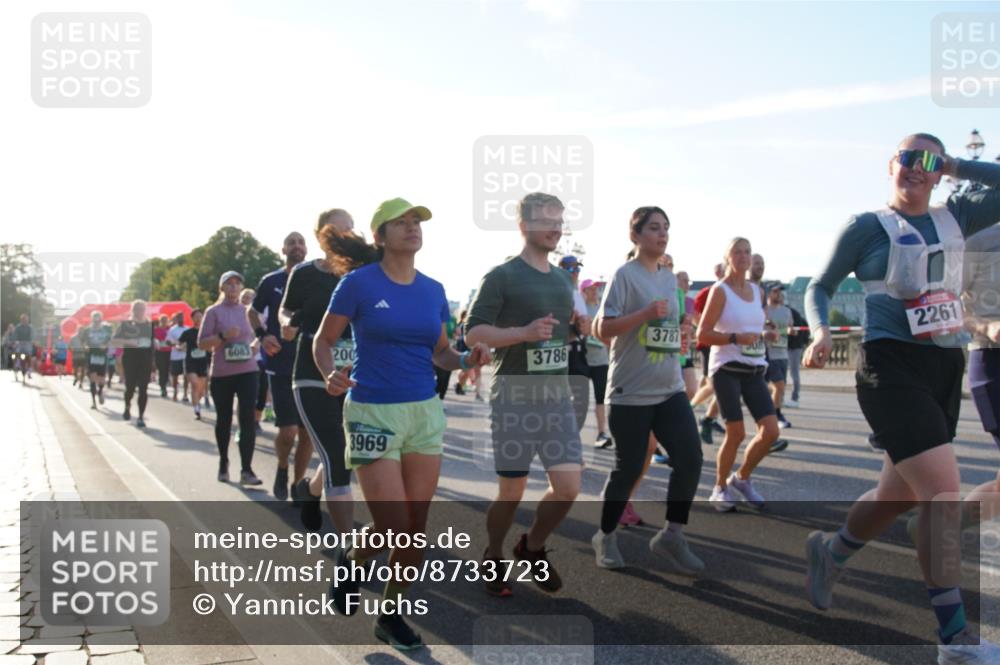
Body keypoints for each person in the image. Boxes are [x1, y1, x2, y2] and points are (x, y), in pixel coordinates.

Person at [803, 133, 1000, 663]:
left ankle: (832, 550)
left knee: (895, 496)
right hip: (887, 366)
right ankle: (955, 637)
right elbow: (818, 286)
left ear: (940, 173)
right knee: (940, 492)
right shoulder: (866, 226)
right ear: (891, 164)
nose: (917, 167)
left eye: (929, 161)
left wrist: (960, 164)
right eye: (908, 157)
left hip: (942, 365)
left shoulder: (957, 216)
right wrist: (821, 331)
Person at [318, 198, 490, 651]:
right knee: (393, 524)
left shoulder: (433, 290)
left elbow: (441, 354)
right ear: (380, 236)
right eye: (402, 223)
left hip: (424, 413)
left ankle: (390, 615)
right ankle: (352, 561)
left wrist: (467, 358)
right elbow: (325, 339)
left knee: (415, 526)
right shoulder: (357, 284)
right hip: (373, 411)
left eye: (417, 222)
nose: (413, 228)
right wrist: (328, 371)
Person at [466, 191, 585, 598]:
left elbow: (555, 338)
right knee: (512, 492)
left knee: (569, 487)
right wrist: (522, 333)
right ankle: (494, 554)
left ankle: (531, 546)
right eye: (547, 219)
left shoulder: (561, 280)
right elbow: (474, 333)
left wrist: (575, 330)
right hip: (514, 398)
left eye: (559, 219)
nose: (556, 227)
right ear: (524, 226)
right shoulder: (501, 276)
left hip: (556, 398)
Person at [590, 206, 704, 574]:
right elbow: (602, 329)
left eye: (666, 227)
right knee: (628, 468)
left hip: (669, 388)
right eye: (654, 228)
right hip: (630, 390)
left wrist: (680, 330)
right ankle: (605, 535)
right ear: (635, 235)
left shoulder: (669, 279)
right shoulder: (624, 276)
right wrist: (644, 315)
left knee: (690, 458)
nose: (663, 233)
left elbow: (664, 327)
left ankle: (672, 534)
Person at [282, 209, 358, 533]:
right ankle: (351, 554)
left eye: (351, 229)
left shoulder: (363, 274)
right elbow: (286, 311)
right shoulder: (303, 273)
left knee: (345, 453)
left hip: (355, 376)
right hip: (312, 375)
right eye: (340, 230)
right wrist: (287, 325)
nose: (348, 235)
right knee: (338, 458)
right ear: (321, 236)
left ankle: (309, 491)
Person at [697, 237, 780, 512]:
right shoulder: (720, 291)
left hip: (754, 368)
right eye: (737, 252)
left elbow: (755, 327)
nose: (744, 256)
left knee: (770, 431)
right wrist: (734, 337)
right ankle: (719, 487)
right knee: (736, 433)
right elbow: (703, 334)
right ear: (727, 257)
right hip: (727, 369)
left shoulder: (757, 291)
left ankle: (741, 478)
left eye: (747, 252)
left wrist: (765, 334)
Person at [250, 232, 315, 502]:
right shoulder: (271, 281)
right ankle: (282, 467)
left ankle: (298, 484)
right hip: (281, 363)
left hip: (312, 364)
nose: (297, 247)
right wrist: (262, 335)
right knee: (287, 431)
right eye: (292, 242)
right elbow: (252, 311)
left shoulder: (318, 279)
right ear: (283, 249)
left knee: (307, 433)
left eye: (301, 242)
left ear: (307, 248)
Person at [198, 271, 263, 486]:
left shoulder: (248, 312)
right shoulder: (213, 312)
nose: (234, 287)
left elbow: (259, 336)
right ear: (222, 288)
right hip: (223, 373)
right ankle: (224, 461)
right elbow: (202, 343)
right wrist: (223, 336)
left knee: (247, 419)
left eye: (237, 283)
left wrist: (254, 347)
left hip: (248, 371)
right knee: (224, 420)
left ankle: (247, 469)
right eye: (229, 284)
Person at [691, 263, 727, 444]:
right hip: (708, 343)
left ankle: (709, 417)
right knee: (714, 383)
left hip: (726, 345)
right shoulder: (707, 292)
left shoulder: (734, 292)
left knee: (717, 384)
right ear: (716, 272)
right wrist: (706, 330)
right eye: (722, 269)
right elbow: (695, 316)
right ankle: (693, 411)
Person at [558, 254, 591, 433]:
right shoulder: (554, 292)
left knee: (581, 403)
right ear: (560, 270)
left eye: (578, 269)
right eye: (571, 269)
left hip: (578, 352)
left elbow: (585, 330)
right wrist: (572, 325)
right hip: (560, 353)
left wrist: (585, 326)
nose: (575, 272)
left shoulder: (578, 295)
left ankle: (572, 440)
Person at [115, 300, 155, 427]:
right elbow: (115, 340)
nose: (139, 311)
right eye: (137, 309)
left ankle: (141, 416)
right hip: (130, 360)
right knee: (130, 388)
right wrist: (131, 342)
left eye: (142, 309)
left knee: (143, 389)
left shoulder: (149, 325)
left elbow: (152, 342)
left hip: (145, 361)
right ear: (133, 310)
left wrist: (156, 345)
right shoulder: (126, 325)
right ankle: (127, 407)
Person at [581, 278, 611, 447]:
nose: (595, 292)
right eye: (591, 289)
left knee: (601, 399)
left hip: (600, 361)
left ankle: (601, 433)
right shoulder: (579, 309)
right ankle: (572, 434)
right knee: (580, 401)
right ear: (583, 291)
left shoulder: (603, 309)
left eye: (596, 289)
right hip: (582, 361)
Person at [765, 284, 795, 429]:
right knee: (779, 386)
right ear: (768, 293)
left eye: (780, 292)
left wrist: (791, 331)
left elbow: (790, 327)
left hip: (783, 353)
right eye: (775, 291)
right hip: (770, 354)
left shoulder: (786, 311)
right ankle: (776, 415)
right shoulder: (764, 311)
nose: (778, 294)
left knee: (779, 388)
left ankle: (770, 413)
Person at [178, 309, 209, 420]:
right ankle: (196, 408)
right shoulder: (188, 332)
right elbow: (179, 343)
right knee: (195, 384)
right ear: (192, 318)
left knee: (200, 389)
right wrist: (180, 347)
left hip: (203, 362)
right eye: (196, 316)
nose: (198, 319)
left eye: (200, 316)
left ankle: (197, 401)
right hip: (191, 362)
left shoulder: (207, 332)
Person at [81, 311, 113, 409]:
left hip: (102, 356)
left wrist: (106, 346)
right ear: (92, 319)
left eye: (98, 320)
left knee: (101, 380)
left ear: (101, 320)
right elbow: (83, 341)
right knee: (92, 378)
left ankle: (100, 392)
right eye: (95, 320)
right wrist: (85, 346)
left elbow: (110, 340)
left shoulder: (106, 329)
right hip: (91, 356)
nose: (96, 322)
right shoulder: (87, 330)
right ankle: (93, 402)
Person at [784, 305, 809, 407]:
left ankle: (794, 398)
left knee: (792, 373)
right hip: (796, 346)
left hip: (791, 346)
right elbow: (805, 326)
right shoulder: (795, 312)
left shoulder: (786, 312)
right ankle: (793, 397)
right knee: (793, 373)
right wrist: (804, 342)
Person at [165, 312, 189, 402]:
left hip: (186, 355)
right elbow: (167, 341)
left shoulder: (187, 329)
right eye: (179, 318)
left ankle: (185, 394)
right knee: (175, 375)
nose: (180, 319)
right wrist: (175, 345)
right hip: (175, 355)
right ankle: (175, 392)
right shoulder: (172, 330)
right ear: (176, 319)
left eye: (182, 317)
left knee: (186, 375)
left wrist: (185, 346)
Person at [153, 314, 172, 398]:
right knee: (161, 369)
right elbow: (154, 340)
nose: (164, 322)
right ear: (160, 321)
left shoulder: (170, 330)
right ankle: (162, 387)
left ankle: (164, 384)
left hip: (169, 352)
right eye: (163, 320)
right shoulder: (156, 330)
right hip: (159, 352)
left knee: (166, 369)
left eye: (166, 320)